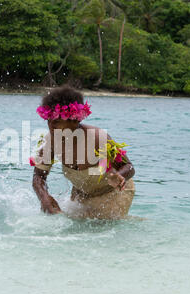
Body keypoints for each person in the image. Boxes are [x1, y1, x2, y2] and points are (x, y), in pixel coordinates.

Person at [32, 85, 135, 219]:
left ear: (75, 119)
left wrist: (120, 176)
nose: (51, 125)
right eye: (48, 119)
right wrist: (44, 197)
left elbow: (129, 167)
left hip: (113, 193)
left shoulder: (97, 138)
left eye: (56, 120)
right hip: (81, 194)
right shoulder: (49, 141)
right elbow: (38, 177)